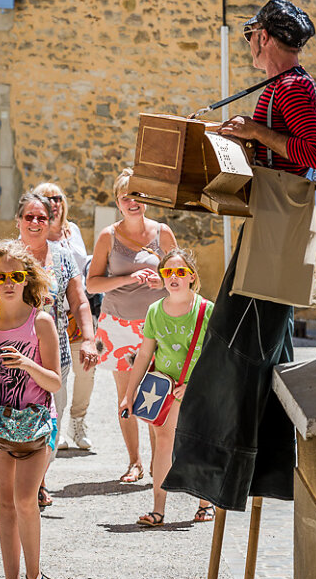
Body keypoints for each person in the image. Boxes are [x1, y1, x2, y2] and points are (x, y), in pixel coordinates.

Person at [162, 0, 316, 512]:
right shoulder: (278, 88)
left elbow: (312, 153)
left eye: (253, 34)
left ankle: (227, 468)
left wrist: (253, 133)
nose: (250, 42)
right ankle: (244, 469)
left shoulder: (295, 87)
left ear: (264, 39)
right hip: (268, 224)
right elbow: (285, 150)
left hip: (278, 229)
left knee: (238, 347)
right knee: (247, 345)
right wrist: (245, 145)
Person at [0, 239, 61, 579]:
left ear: (28, 279)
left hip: (37, 423)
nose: (8, 282)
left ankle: (36, 577)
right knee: (5, 505)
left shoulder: (40, 321)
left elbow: (55, 382)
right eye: (1, 276)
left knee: (26, 500)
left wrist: (28, 366)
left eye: (16, 275)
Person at [87, 170, 177, 484]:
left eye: (138, 195)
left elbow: (179, 277)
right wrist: (127, 279)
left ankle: (157, 464)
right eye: (126, 196)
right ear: (118, 202)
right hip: (116, 326)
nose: (133, 202)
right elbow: (92, 283)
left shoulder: (163, 234)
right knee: (126, 394)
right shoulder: (107, 236)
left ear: (146, 199)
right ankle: (134, 462)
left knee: (156, 393)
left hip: (157, 325)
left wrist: (162, 281)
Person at [120, 247, 215, 526]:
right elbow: (145, 355)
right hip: (164, 390)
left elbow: (216, 356)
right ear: (162, 276)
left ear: (191, 277)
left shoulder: (206, 310)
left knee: (197, 443)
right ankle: (158, 510)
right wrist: (129, 395)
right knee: (163, 444)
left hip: (198, 389)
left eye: (180, 272)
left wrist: (195, 386)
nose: (174, 276)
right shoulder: (154, 311)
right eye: (168, 271)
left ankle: (204, 503)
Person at [14, 191, 97, 508]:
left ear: (50, 222)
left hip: (55, 357)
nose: (35, 223)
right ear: (18, 221)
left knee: (49, 424)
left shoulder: (63, 257)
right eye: (29, 217)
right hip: (13, 357)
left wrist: (88, 338)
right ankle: (27, 485)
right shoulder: (6, 257)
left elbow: (79, 302)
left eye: (42, 218)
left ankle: (37, 480)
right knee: (16, 421)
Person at [33, 181, 97, 452]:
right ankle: (57, 425)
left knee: (87, 369)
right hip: (49, 316)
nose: (53, 203)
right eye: (46, 199)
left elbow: (80, 270)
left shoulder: (73, 231)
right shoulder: (36, 235)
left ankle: (78, 421)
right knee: (57, 371)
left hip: (76, 311)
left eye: (57, 198)